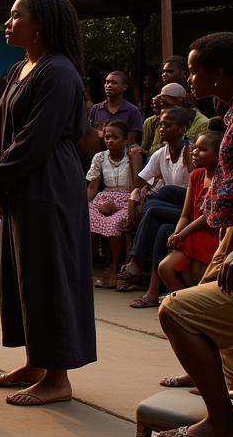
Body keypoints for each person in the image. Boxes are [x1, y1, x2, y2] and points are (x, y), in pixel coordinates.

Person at [0, 0, 94, 407]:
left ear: (41, 24)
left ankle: (58, 376)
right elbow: (8, 132)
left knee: (48, 277)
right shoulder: (20, 69)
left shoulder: (59, 72)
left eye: (16, 16)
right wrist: (3, 177)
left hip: (49, 184)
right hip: (23, 182)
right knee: (22, 275)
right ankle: (35, 361)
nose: (8, 23)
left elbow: (38, 137)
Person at [156, 33, 233, 437]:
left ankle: (223, 423)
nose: (189, 77)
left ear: (218, 74)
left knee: (176, 311)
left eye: (193, 69)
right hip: (229, 232)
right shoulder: (231, 112)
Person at [131, 129, 222, 309]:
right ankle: (190, 307)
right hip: (194, 232)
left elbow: (208, 216)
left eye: (203, 149)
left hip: (214, 233)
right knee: (165, 267)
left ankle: (195, 307)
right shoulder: (196, 175)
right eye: (195, 148)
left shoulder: (223, 179)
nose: (195, 152)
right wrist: (177, 233)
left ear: (220, 154)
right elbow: (186, 214)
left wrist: (182, 234)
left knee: (156, 209)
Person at [116, 107, 194, 292]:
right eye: (160, 125)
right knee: (161, 229)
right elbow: (140, 181)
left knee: (161, 195)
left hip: (190, 209)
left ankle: (135, 261)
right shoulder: (161, 153)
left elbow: (197, 186)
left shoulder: (191, 152)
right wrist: (135, 162)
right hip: (169, 210)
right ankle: (153, 292)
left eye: (168, 125)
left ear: (182, 129)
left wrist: (148, 197)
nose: (162, 128)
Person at [86, 120, 141, 284]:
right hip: (104, 197)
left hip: (127, 198)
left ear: (125, 140)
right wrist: (84, 205)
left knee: (114, 223)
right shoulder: (100, 157)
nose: (109, 140)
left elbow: (136, 186)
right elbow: (92, 187)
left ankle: (115, 265)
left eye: (115, 137)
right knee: (85, 216)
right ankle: (91, 264)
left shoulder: (132, 155)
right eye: (107, 137)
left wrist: (133, 160)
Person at [141, 81, 209, 154]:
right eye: (161, 105)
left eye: (166, 104)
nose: (163, 109)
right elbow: (146, 151)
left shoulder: (203, 123)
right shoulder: (161, 120)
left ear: (180, 102)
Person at [87, 70, 143, 144]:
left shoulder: (133, 111)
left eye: (114, 83)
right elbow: (89, 135)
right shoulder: (95, 109)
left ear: (124, 87)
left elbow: (131, 142)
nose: (108, 85)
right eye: (107, 82)